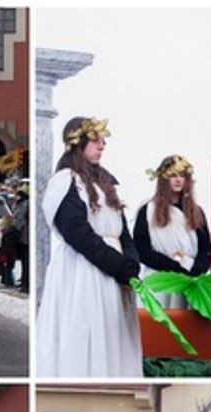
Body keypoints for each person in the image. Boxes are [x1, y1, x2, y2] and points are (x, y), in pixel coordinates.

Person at [37, 116, 143, 376]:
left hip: (114, 272)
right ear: (78, 142)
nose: (102, 145)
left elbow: (122, 229)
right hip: (85, 271)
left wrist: (131, 261)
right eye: (95, 140)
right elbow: (77, 233)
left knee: (114, 334)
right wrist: (117, 264)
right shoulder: (66, 180)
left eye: (103, 141)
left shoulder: (105, 182)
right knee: (87, 331)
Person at [132, 154, 211, 308]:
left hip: (189, 279)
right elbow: (141, 249)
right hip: (160, 279)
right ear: (163, 179)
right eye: (173, 175)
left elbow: (206, 249)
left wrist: (196, 269)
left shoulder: (196, 212)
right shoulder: (148, 210)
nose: (178, 179)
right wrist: (172, 267)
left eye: (182, 175)